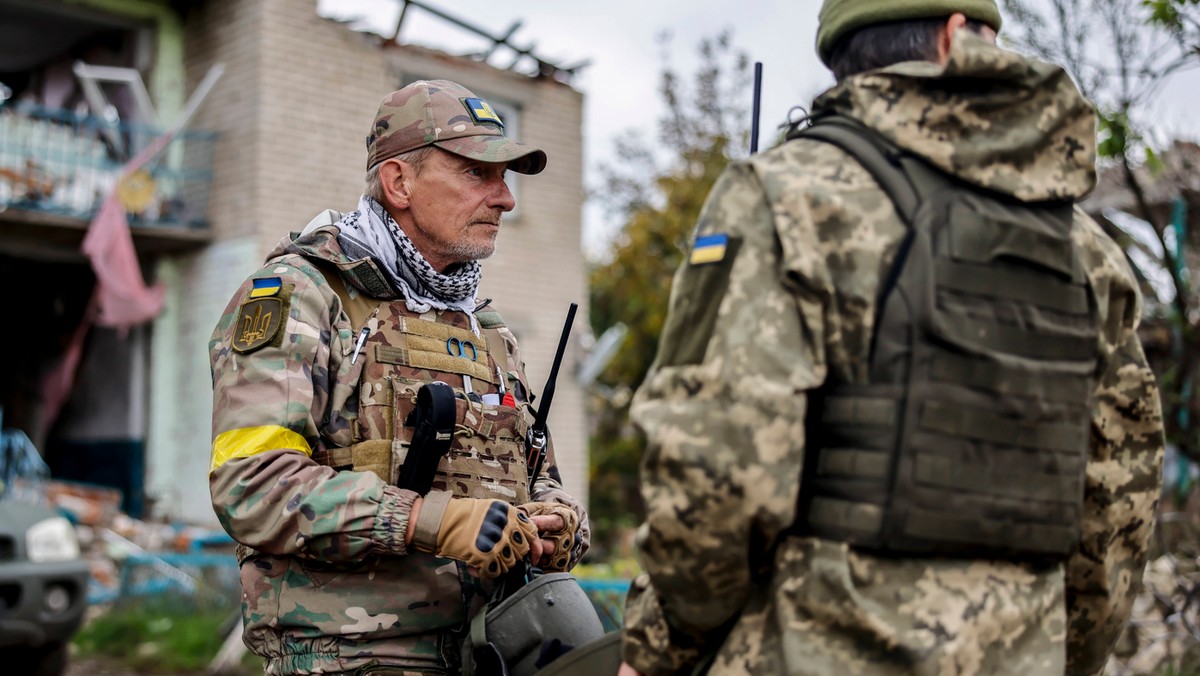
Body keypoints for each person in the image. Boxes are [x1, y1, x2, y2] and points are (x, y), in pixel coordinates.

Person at [619, 1, 1164, 674]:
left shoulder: (789, 194)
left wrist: (658, 650)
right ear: (957, 35)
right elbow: (1118, 507)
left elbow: (719, 477)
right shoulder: (1089, 250)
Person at [209, 79, 590, 675]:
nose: (505, 199)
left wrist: (557, 520)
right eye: (476, 174)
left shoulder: (487, 330)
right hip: (352, 656)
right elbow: (253, 486)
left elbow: (540, 474)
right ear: (399, 183)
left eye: (506, 178)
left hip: (495, 648)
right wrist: (422, 520)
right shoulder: (299, 295)